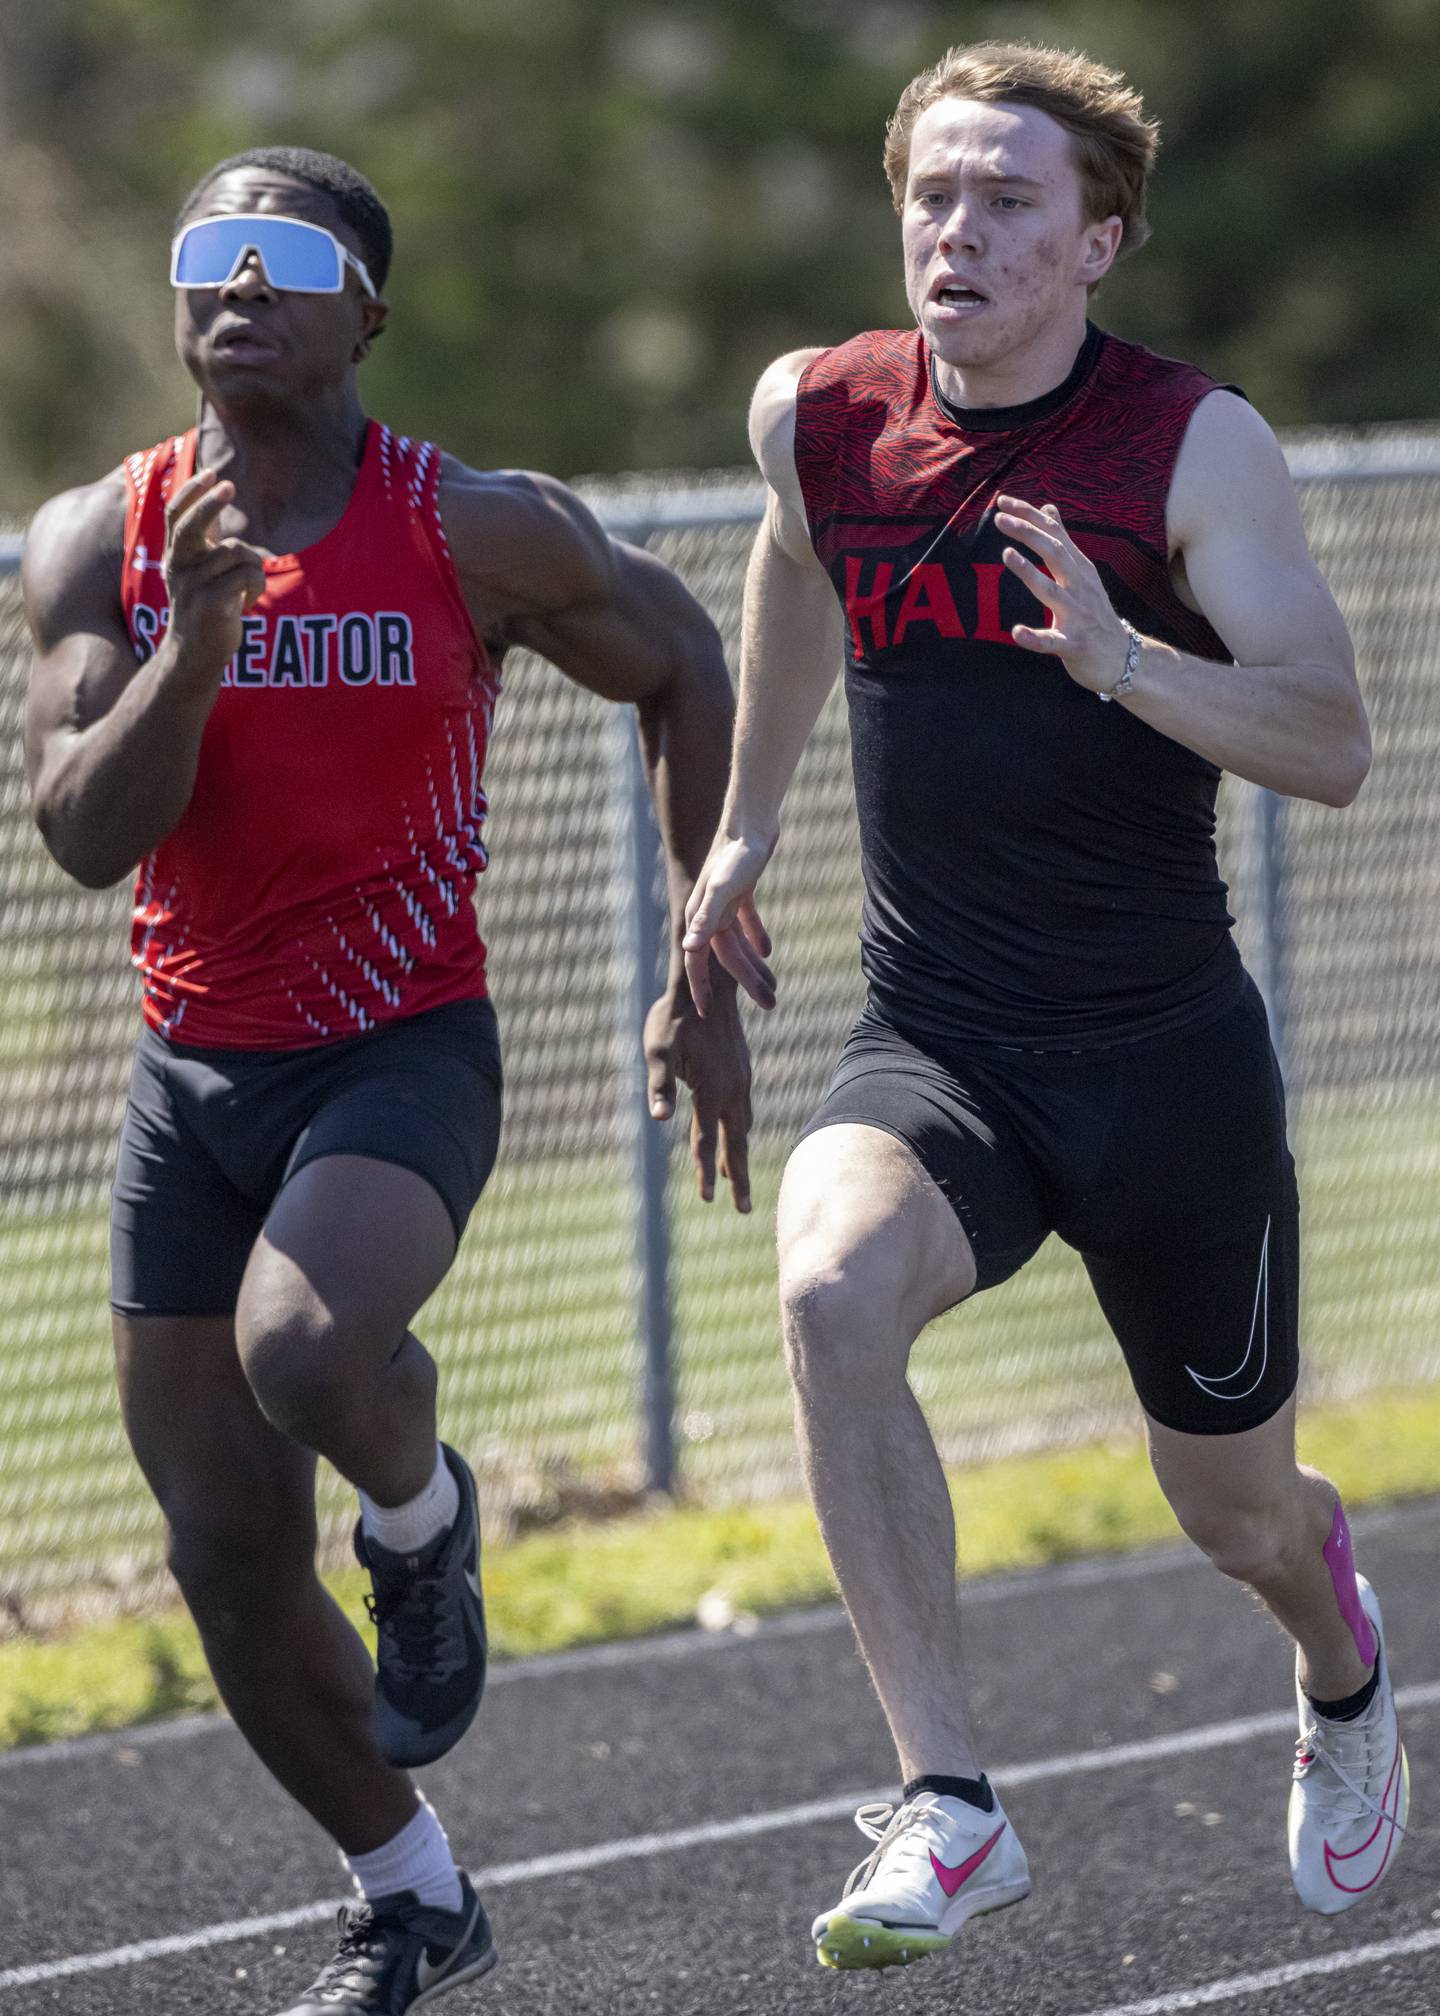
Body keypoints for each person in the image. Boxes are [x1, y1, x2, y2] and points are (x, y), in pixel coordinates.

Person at [682, 40, 1405, 1974]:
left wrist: (1118, 661)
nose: (959, 229)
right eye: (934, 190)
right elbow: (793, 562)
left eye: (1008, 200)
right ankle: (951, 1807)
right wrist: (745, 826)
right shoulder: (816, 415)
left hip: (1164, 1063)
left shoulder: (1190, 445)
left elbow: (1333, 743)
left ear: (1099, 240)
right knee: (832, 1292)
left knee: (1236, 1519)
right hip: (945, 1038)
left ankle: (1343, 1675)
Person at [21, 147, 751, 2015]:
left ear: (368, 309)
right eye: (205, 254)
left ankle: (424, 1526)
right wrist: (192, 647)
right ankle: (411, 1894)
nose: (234, 288)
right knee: (226, 1559)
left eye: (284, 257)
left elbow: (679, 650)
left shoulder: (464, 527)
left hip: (400, 1045)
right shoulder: (100, 536)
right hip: (195, 1078)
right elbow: (84, 838)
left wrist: (702, 945)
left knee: (312, 1354)